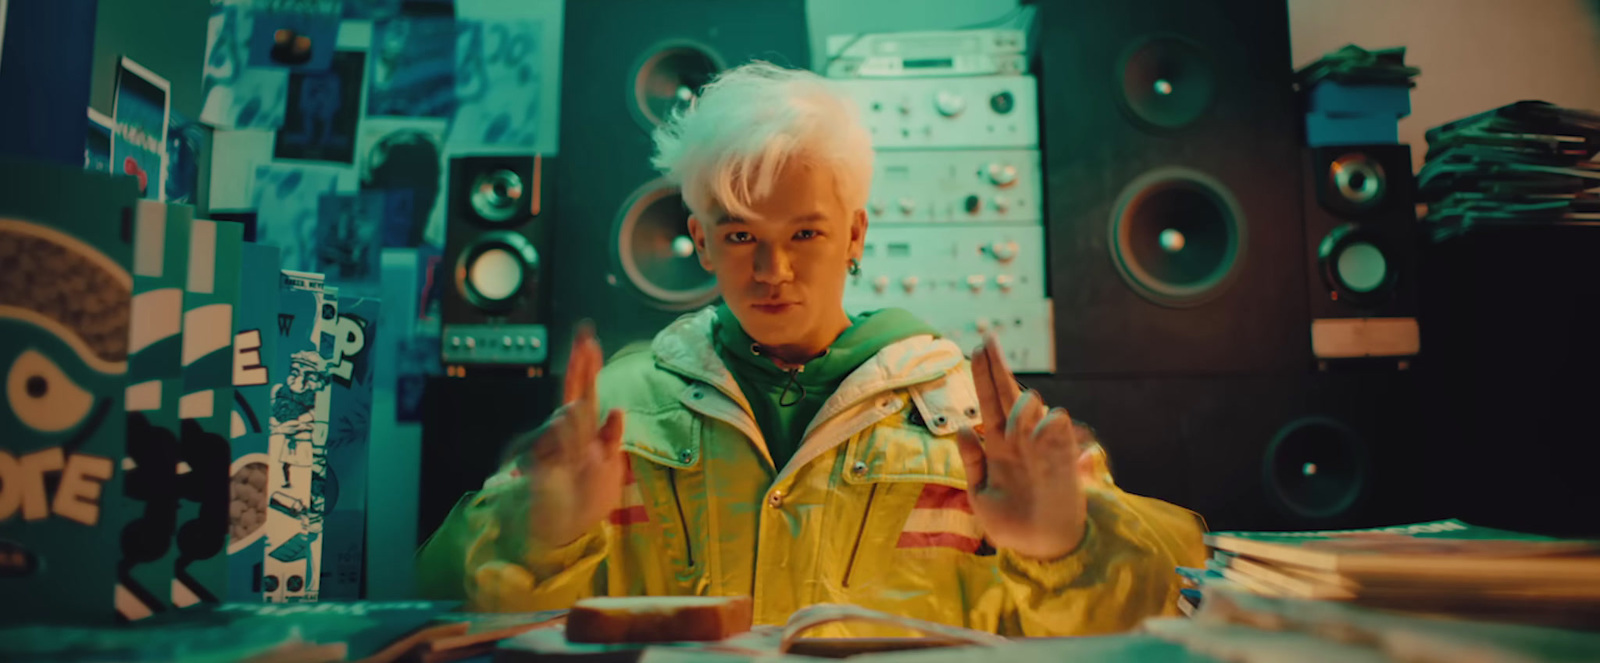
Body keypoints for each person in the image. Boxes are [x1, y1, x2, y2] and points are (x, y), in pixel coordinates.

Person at [416, 61, 1206, 637]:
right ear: (698, 238)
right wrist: (534, 535)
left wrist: (1063, 548)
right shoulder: (613, 417)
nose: (772, 269)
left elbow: (1158, 612)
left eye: (805, 233)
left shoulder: (974, 420)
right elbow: (435, 602)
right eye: (738, 235)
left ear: (855, 233)